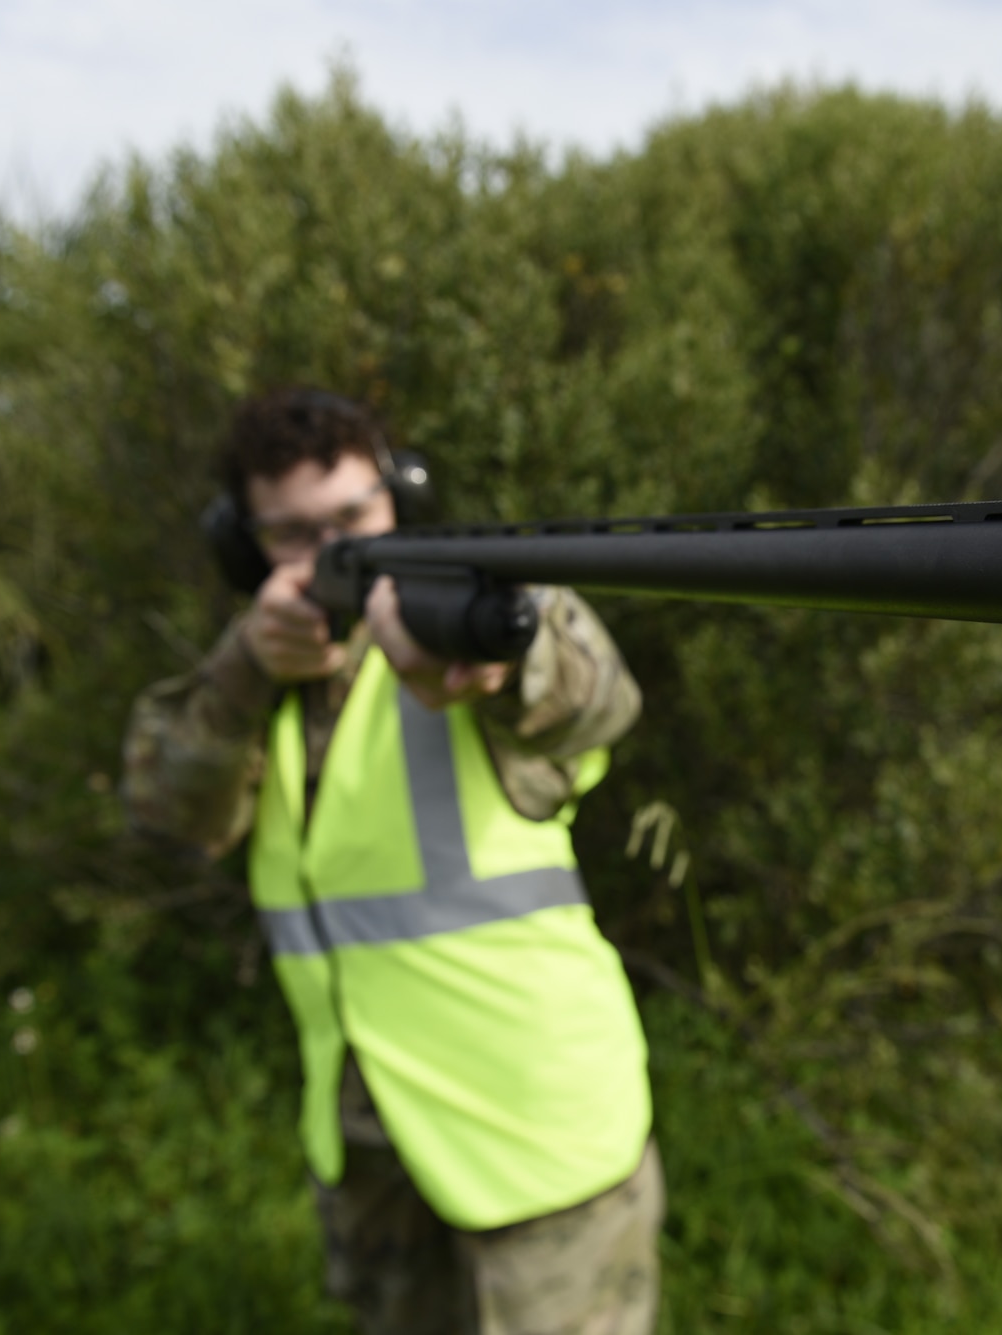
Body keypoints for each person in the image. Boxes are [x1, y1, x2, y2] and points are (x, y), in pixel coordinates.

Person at [121, 388, 662, 1334]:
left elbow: (597, 698)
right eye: (291, 535)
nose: (329, 551)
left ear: (398, 499)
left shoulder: (463, 613)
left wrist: (494, 663)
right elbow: (168, 810)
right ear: (244, 545)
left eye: (351, 518)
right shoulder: (265, 677)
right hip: (374, 1154)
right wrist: (246, 666)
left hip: (537, 1139)